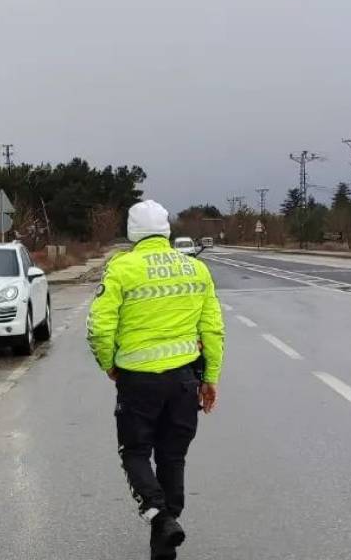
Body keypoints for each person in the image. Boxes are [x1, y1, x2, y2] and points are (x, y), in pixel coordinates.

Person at [87, 200, 225, 560]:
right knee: (172, 456)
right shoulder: (196, 270)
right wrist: (209, 378)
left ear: (132, 232)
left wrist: (109, 364)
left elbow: (99, 328)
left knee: (134, 453)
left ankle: (160, 516)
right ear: (166, 230)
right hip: (184, 381)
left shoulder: (121, 269)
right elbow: (212, 329)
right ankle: (165, 534)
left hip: (138, 383)